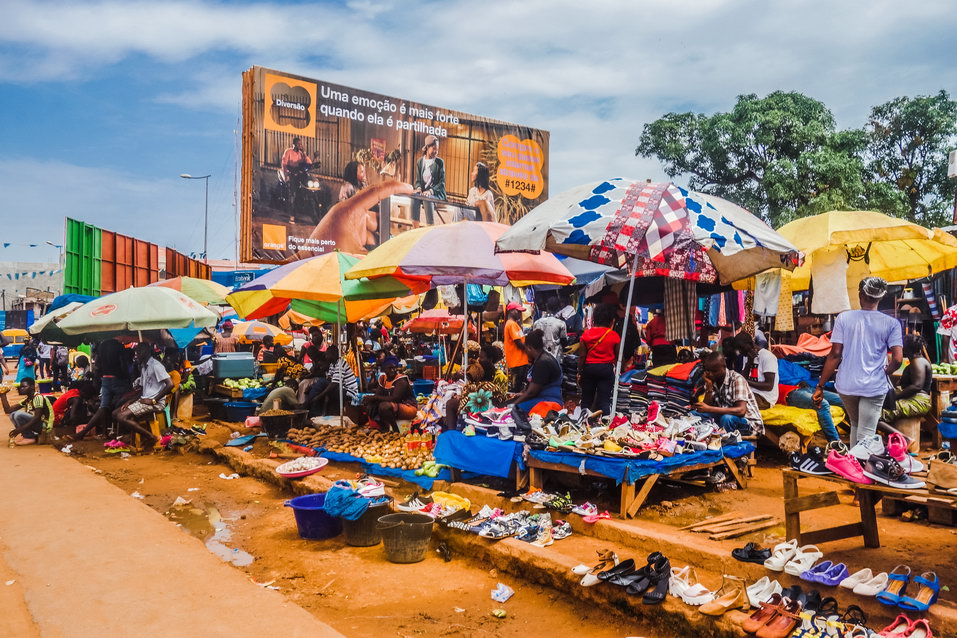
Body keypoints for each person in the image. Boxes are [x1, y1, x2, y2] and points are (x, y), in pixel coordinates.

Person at [814, 277, 903, 445]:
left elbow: (835, 355)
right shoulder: (891, 323)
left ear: (861, 295)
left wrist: (820, 386)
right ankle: (860, 468)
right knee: (866, 433)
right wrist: (886, 371)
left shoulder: (844, 318)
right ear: (881, 297)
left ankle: (852, 467)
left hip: (847, 385)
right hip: (874, 385)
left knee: (856, 425)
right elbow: (897, 360)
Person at [113, 343, 173, 450]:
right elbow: (142, 390)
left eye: (138, 352)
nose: (136, 355)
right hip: (144, 400)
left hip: (156, 403)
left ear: (146, 352)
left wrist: (154, 400)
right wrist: (130, 401)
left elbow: (170, 384)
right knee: (115, 413)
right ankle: (138, 437)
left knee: (122, 416)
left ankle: (151, 437)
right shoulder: (144, 367)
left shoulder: (156, 366)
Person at [74, 337, 132, 441]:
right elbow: (123, 364)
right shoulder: (118, 345)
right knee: (125, 402)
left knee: (103, 407)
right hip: (118, 379)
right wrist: (127, 377)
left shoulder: (101, 346)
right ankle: (124, 432)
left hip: (105, 379)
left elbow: (97, 365)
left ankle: (101, 433)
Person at [694, 351, 764, 435]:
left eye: (714, 371)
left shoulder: (736, 379)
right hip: (726, 417)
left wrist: (709, 409)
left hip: (749, 423)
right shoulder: (712, 380)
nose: (711, 374)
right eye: (708, 371)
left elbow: (741, 410)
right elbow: (706, 407)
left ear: (724, 367)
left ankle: (726, 442)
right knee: (695, 415)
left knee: (726, 419)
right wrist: (709, 387)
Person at [880, 333, 933, 428]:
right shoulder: (915, 361)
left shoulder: (918, 362)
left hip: (918, 401)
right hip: (913, 399)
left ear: (904, 349)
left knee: (878, 413)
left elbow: (917, 386)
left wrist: (895, 397)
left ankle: (904, 438)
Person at [578, 303, 621, 417]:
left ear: (594, 318)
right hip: (606, 369)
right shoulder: (614, 335)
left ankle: (583, 421)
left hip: (589, 369)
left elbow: (582, 356)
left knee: (586, 399)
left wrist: (579, 371)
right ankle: (605, 423)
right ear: (611, 320)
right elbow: (618, 357)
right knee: (604, 400)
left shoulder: (586, 334)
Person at [508, 329, 564, 416]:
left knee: (512, 412)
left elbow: (532, 392)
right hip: (543, 399)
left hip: (548, 402)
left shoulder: (543, 362)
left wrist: (513, 405)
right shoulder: (542, 358)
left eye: (525, 349)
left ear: (529, 348)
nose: (525, 352)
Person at [364, 357, 417, 432]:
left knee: (384, 406)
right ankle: (383, 426)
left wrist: (375, 397)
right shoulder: (383, 379)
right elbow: (377, 393)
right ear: (384, 369)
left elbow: (395, 398)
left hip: (408, 407)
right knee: (370, 405)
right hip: (394, 406)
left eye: (394, 368)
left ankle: (395, 429)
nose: (392, 370)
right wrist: (371, 399)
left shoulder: (401, 380)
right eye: (389, 368)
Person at [733, 332, 779, 411]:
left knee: (736, 403)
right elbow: (743, 379)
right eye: (738, 349)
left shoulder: (767, 356)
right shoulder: (746, 356)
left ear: (751, 344)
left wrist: (746, 381)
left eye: (742, 348)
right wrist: (749, 362)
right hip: (751, 393)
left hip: (765, 397)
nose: (740, 352)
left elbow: (769, 386)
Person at [1, 377, 53, 445]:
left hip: (45, 425)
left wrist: (20, 429)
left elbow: (37, 417)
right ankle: (27, 435)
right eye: (20, 387)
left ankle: (29, 437)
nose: (21, 389)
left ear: (32, 387)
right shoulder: (27, 399)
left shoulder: (38, 397)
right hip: (38, 424)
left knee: (18, 415)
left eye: (24, 387)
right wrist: (3, 395)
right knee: (12, 415)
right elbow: (8, 410)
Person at [410, 134, 446, 228]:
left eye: (437, 149)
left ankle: (429, 228)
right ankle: (414, 229)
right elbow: (418, 180)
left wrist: (430, 191)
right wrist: (418, 188)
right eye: (434, 148)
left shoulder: (440, 163)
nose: (436, 152)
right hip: (423, 194)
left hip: (436, 194)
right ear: (427, 147)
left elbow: (441, 183)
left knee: (427, 198)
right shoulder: (420, 162)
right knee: (414, 196)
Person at [281, 136, 312, 215]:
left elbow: (309, 162)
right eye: (298, 144)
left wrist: (304, 153)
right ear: (293, 144)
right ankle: (291, 214)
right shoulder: (288, 151)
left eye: (300, 144)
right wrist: (286, 176)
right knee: (292, 192)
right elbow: (284, 164)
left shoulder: (301, 154)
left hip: (298, 173)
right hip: (290, 173)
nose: (299, 146)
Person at [503, 302, 529, 392]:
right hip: (517, 362)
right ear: (512, 311)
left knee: (519, 388)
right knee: (516, 389)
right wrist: (530, 349)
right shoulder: (511, 324)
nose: (520, 313)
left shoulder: (513, 324)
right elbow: (518, 343)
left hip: (519, 361)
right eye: (518, 311)